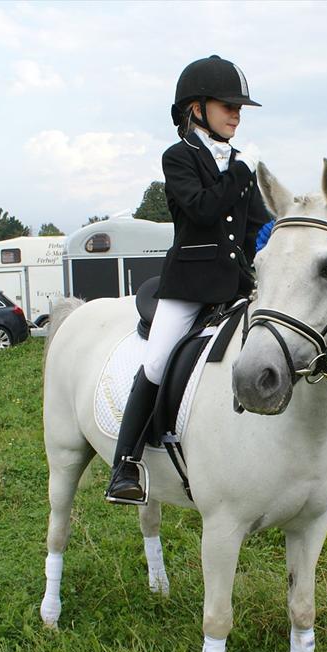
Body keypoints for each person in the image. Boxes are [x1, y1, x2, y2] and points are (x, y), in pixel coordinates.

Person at [106, 55, 270, 504]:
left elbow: (256, 225)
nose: (236, 114)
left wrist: (277, 233)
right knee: (157, 362)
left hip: (238, 284)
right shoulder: (179, 157)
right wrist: (237, 174)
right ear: (196, 108)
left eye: (239, 107)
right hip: (190, 285)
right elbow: (200, 210)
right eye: (227, 105)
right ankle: (126, 465)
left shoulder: (239, 163)